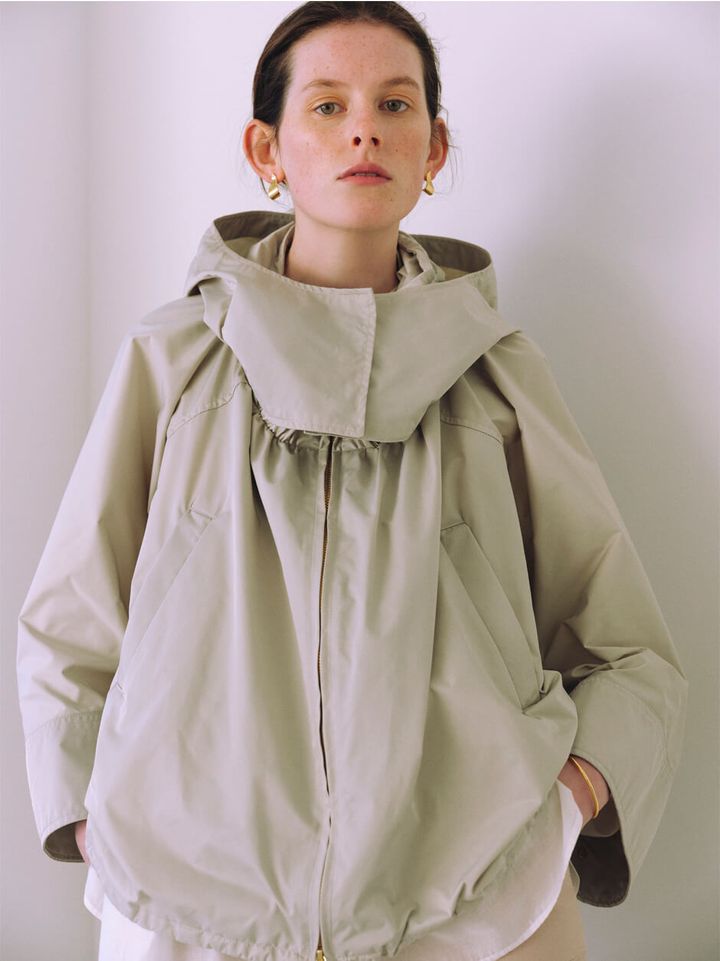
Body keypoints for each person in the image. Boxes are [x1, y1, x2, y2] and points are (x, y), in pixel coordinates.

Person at [16, 3, 688, 961]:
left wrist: (567, 800)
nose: (364, 129)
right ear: (268, 148)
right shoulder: (173, 360)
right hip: (184, 898)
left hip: (480, 902)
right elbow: (71, 617)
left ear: (434, 147)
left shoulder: (499, 374)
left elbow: (624, 640)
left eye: (394, 103)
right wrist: (96, 816)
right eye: (327, 105)